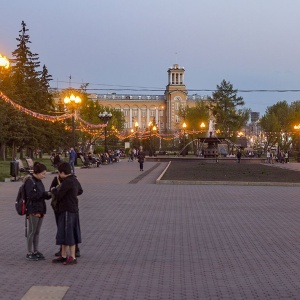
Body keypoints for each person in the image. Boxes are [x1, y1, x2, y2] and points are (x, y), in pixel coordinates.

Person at [51, 162, 83, 265]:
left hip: (67, 210)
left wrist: (53, 190)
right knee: (64, 232)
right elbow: (80, 190)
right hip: (73, 209)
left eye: (59, 173)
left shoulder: (67, 182)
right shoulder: (74, 180)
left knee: (68, 232)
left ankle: (72, 257)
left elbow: (59, 195)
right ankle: (64, 255)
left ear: (63, 172)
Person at [25, 162, 51, 261]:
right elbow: (31, 196)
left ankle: (36, 250)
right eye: (43, 174)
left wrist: (48, 194)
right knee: (32, 231)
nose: (44, 176)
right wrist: (43, 194)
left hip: (40, 208)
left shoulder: (39, 181)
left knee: (37, 231)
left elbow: (40, 194)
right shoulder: (30, 181)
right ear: (37, 172)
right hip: (33, 209)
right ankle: (29, 252)